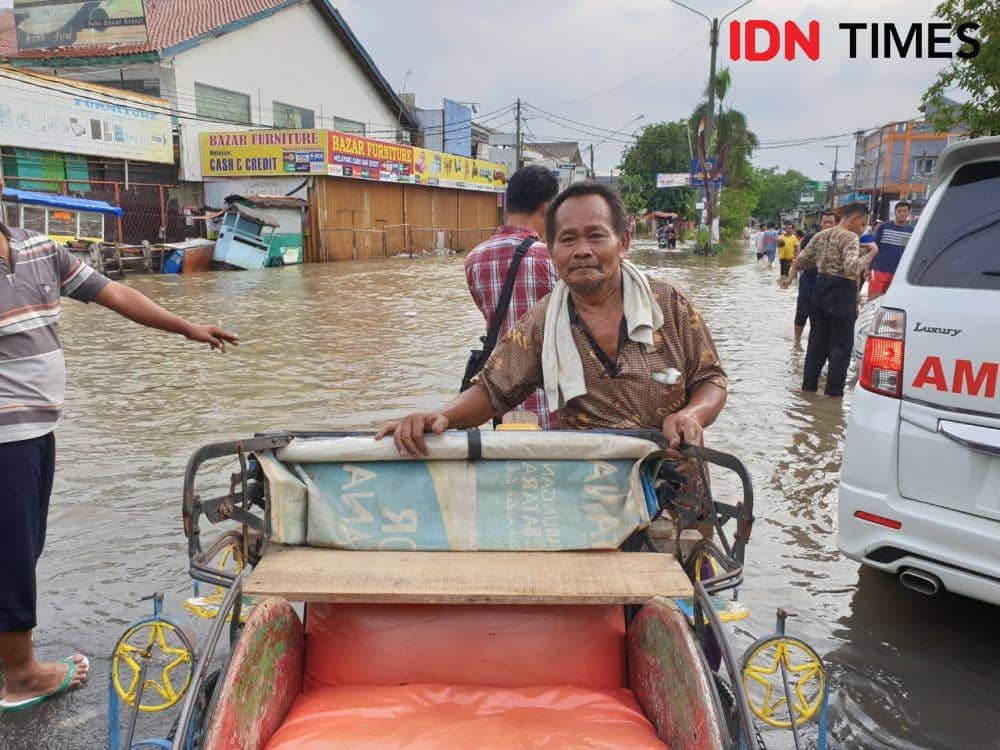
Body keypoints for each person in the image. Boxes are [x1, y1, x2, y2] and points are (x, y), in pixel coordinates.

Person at [0, 174, 238, 712]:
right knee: (11, 554)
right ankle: (21, 675)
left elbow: (114, 293)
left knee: (24, 545)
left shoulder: (40, 249)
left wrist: (187, 328)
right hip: (3, 438)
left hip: (36, 430)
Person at [377, 181, 727, 470]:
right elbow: (492, 391)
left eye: (596, 236)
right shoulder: (544, 321)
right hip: (589, 489)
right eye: (568, 239)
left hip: (676, 483)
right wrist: (437, 415)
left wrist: (690, 415)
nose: (582, 250)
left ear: (624, 243)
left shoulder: (668, 303)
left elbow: (711, 379)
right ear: (552, 249)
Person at [465, 165, 560, 429]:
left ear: (507, 205)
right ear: (547, 208)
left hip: (496, 397)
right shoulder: (553, 257)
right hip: (549, 395)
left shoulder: (473, 259)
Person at [786, 202, 878, 397]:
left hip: (819, 289)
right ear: (855, 219)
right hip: (841, 292)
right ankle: (833, 396)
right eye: (862, 224)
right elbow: (851, 269)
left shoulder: (821, 235)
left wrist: (790, 276)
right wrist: (871, 254)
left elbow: (801, 260)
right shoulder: (850, 237)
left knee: (816, 342)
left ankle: (808, 390)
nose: (862, 228)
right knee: (841, 346)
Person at [782, 211, 837, 347]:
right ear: (821, 223)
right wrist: (790, 278)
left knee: (819, 315)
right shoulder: (810, 238)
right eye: (825, 222)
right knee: (802, 311)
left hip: (827, 283)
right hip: (808, 279)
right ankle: (797, 340)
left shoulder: (840, 241)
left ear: (836, 224)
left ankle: (815, 341)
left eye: (831, 222)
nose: (828, 225)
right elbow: (800, 259)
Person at [867, 201, 913, 299]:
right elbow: (875, 247)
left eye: (905, 211)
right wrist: (868, 267)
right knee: (872, 300)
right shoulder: (884, 227)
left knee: (887, 301)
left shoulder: (911, 231)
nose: (902, 213)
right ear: (895, 212)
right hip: (879, 269)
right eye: (899, 211)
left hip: (897, 273)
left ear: (908, 213)